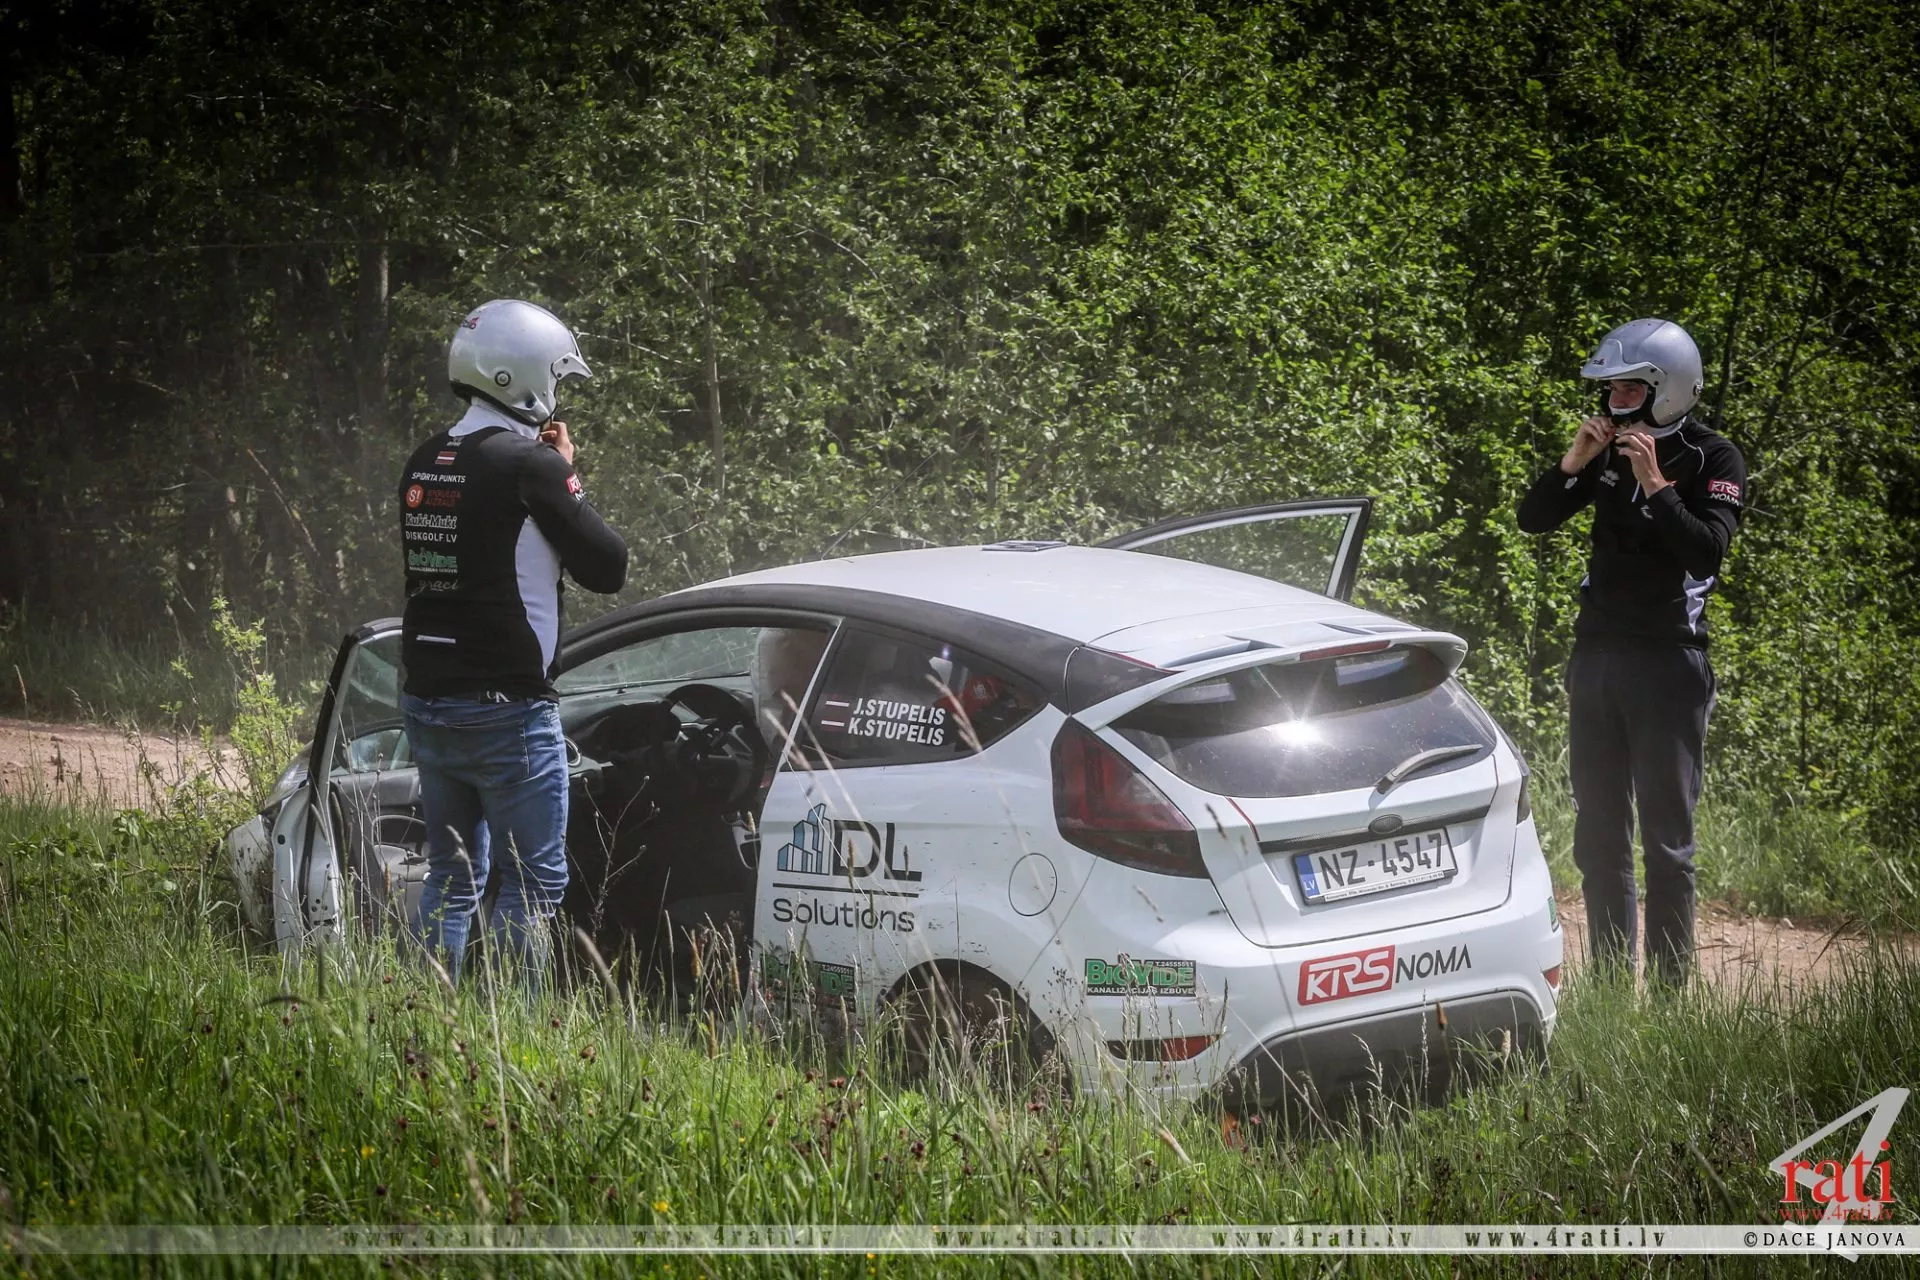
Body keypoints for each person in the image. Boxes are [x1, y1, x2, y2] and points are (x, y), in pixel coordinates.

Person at [398, 299, 629, 989]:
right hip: (508, 709)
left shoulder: (426, 458)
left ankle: (425, 1017)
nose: (557, 390)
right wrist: (567, 472)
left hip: (428, 700)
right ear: (520, 376)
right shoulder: (530, 465)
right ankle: (513, 1031)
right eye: (555, 375)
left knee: (451, 874)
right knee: (532, 885)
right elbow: (607, 567)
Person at [1516, 318, 1747, 986]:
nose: (1615, 402)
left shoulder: (1713, 458)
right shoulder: (1607, 450)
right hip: (1597, 659)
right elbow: (1533, 519)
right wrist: (1573, 463)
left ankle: (1671, 994)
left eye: (1628, 389)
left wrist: (1656, 483)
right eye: (1611, 390)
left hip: (1669, 666)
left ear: (1665, 390)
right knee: (1598, 837)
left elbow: (1706, 551)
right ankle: (1614, 988)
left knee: (1667, 845)